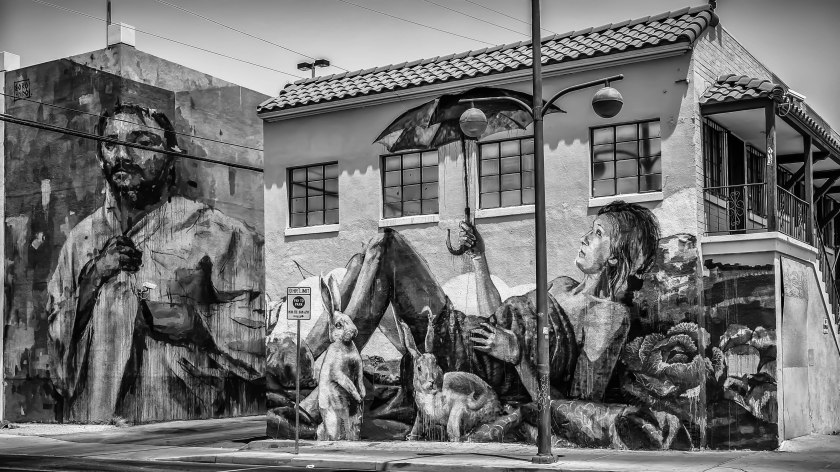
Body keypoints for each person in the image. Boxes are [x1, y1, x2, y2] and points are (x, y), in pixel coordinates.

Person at [293, 201, 665, 445]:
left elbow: (577, 406)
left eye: (598, 234)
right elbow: (498, 313)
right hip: (467, 332)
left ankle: (308, 373)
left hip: (472, 364)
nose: (585, 237)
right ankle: (309, 381)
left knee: (386, 245)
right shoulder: (561, 285)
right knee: (362, 260)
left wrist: (517, 355)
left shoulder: (607, 315)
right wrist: (479, 257)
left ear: (616, 257)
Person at [47, 102, 264, 423]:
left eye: (141, 143)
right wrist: (91, 280)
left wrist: (197, 329)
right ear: (99, 156)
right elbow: (56, 343)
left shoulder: (217, 232)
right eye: (110, 144)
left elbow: (261, 335)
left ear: (171, 155)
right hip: (92, 424)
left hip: (181, 426)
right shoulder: (81, 241)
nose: (121, 155)